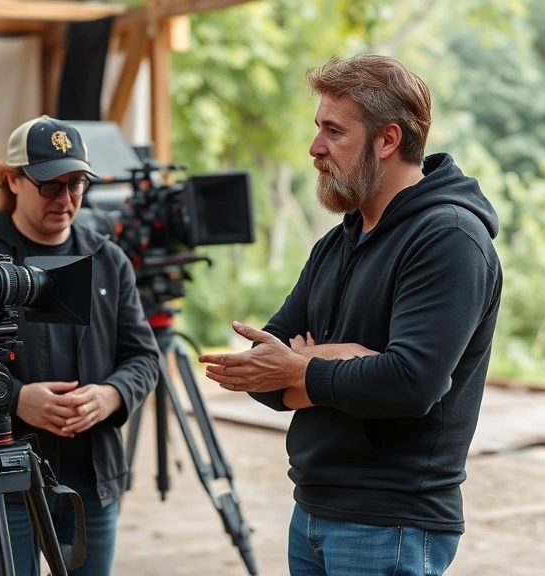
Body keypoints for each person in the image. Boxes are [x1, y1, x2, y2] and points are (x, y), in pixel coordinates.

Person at [199, 54, 503, 575]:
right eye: (318, 128)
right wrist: (343, 360)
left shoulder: (448, 238)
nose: (316, 148)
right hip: (312, 511)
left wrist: (303, 368)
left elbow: (410, 384)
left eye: (334, 132)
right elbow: (260, 369)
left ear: (387, 140)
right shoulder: (335, 244)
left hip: (393, 525)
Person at [0, 115, 160, 576]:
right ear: (12, 180)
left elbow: (144, 356)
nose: (65, 200)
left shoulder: (109, 259)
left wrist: (110, 397)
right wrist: (17, 398)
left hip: (92, 473)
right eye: (50, 185)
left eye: (76, 184)